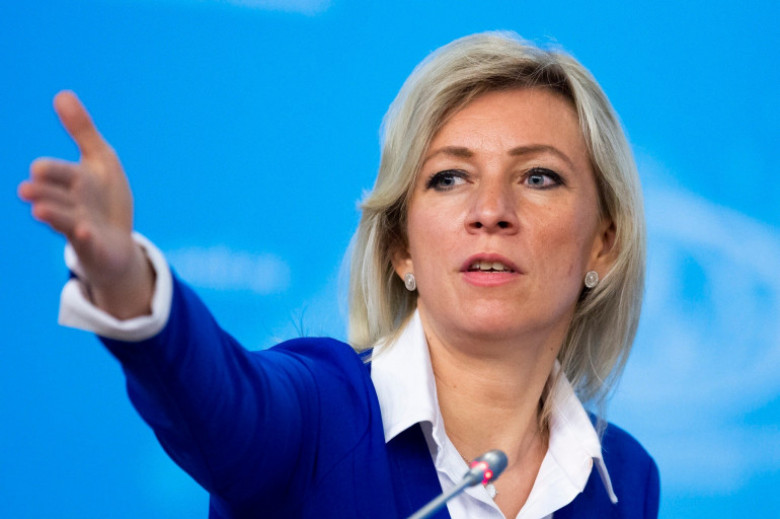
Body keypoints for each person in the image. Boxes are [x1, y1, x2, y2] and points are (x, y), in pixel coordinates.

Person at [19, 32, 659, 518]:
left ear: (602, 246)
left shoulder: (626, 482)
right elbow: (218, 398)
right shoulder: (315, 415)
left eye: (538, 177)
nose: (491, 210)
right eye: (449, 178)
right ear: (401, 250)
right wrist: (127, 280)